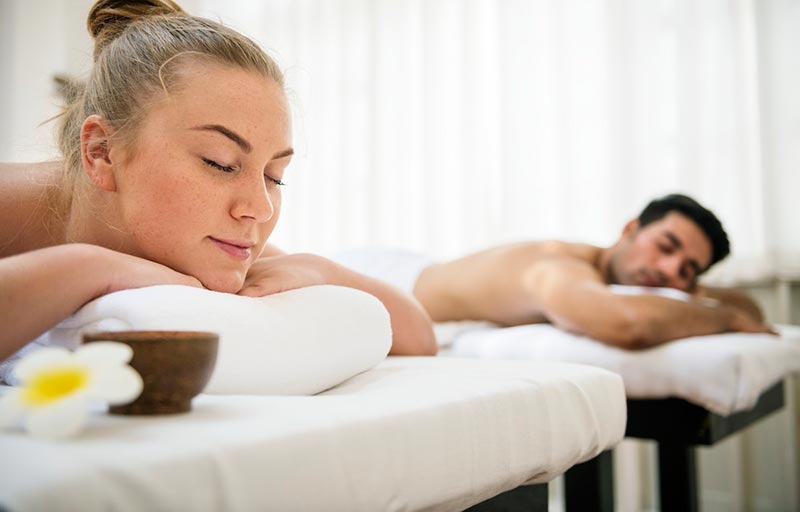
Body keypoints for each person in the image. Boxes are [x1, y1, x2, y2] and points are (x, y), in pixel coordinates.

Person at [0, 0, 436, 364]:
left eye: (274, 177)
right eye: (221, 163)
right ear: (102, 151)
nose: (260, 208)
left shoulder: (202, 248)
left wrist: (322, 269)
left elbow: (418, 338)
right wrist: (88, 268)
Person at [341, 194, 775, 349]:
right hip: (377, 280)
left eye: (687, 270)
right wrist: (726, 319)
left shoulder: (613, 274)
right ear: (629, 229)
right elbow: (627, 324)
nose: (668, 271)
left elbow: (751, 307)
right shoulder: (557, 268)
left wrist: (704, 298)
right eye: (666, 247)